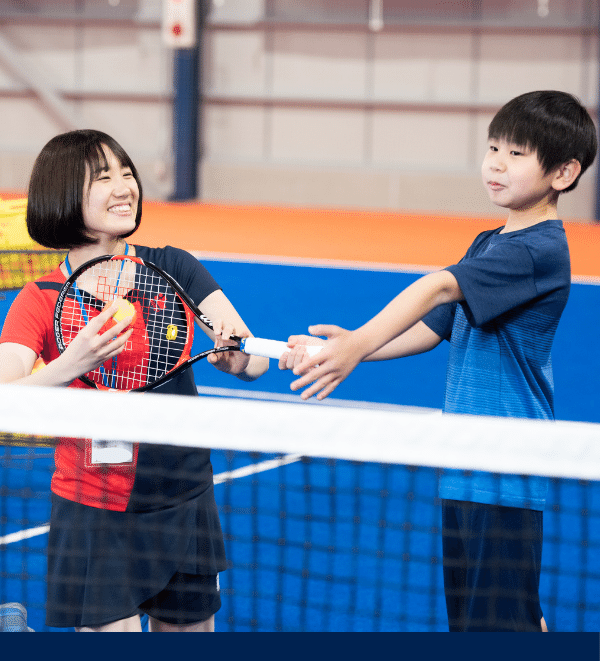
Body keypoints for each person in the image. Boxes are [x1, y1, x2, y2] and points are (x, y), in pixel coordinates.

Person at [279, 90, 597, 632]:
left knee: (498, 630)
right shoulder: (490, 242)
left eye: (517, 154)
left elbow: (437, 288)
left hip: (504, 466)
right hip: (465, 462)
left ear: (563, 173)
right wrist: (346, 347)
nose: (496, 163)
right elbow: (432, 329)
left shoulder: (539, 250)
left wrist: (356, 344)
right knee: (488, 620)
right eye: (493, 148)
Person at [0, 129, 268, 632]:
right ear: (63, 193)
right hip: (95, 505)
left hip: (184, 493)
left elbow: (252, 362)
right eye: (104, 178)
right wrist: (67, 365)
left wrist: (234, 357)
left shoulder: (172, 267)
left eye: (127, 173)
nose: (125, 187)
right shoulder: (40, 299)